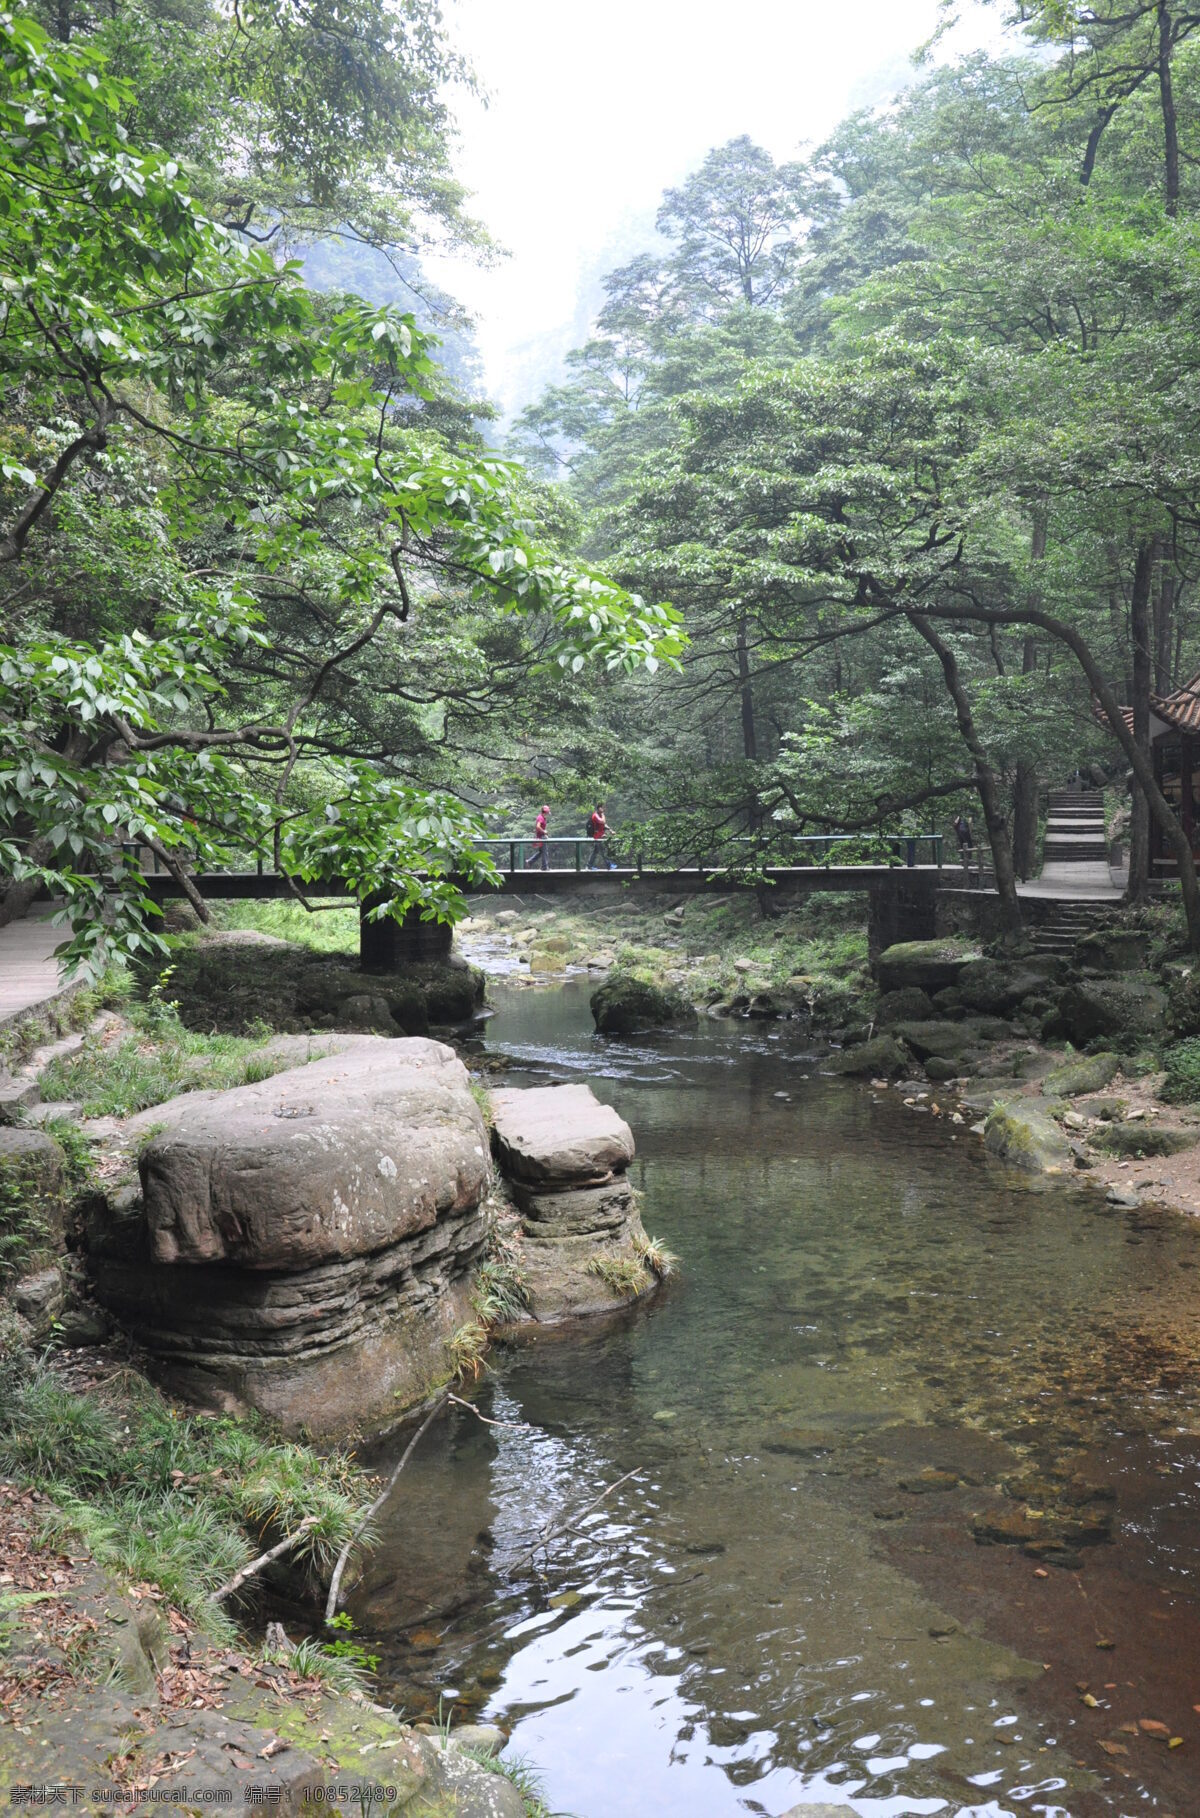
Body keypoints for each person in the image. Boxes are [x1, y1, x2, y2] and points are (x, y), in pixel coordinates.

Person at [586, 802, 616, 870]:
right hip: (596, 837)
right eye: (603, 807)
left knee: (596, 851)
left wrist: (610, 830)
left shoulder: (600, 815)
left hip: (600, 836)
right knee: (602, 850)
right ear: (599, 808)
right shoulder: (595, 815)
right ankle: (609, 865)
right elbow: (602, 821)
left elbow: (604, 825)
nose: (604, 809)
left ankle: (589, 866)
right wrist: (603, 815)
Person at [525, 805, 550, 870]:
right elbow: (538, 826)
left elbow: (538, 828)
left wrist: (544, 833)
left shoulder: (542, 817)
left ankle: (530, 861)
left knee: (541, 852)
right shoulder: (541, 818)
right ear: (545, 812)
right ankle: (544, 867)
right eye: (547, 813)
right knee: (544, 852)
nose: (547, 815)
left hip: (541, 836)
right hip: (541, 837)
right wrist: (544, 832)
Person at [953, 811, 974, 876]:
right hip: (965, 830)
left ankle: (962, 861)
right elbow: (970, 822)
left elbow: (955, 822)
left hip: (959, 830)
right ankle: (969, 861)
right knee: (969, 845)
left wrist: (956, 830)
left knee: (962, 845)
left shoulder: (960, 813)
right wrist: (970, 831)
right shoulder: (969, 812)